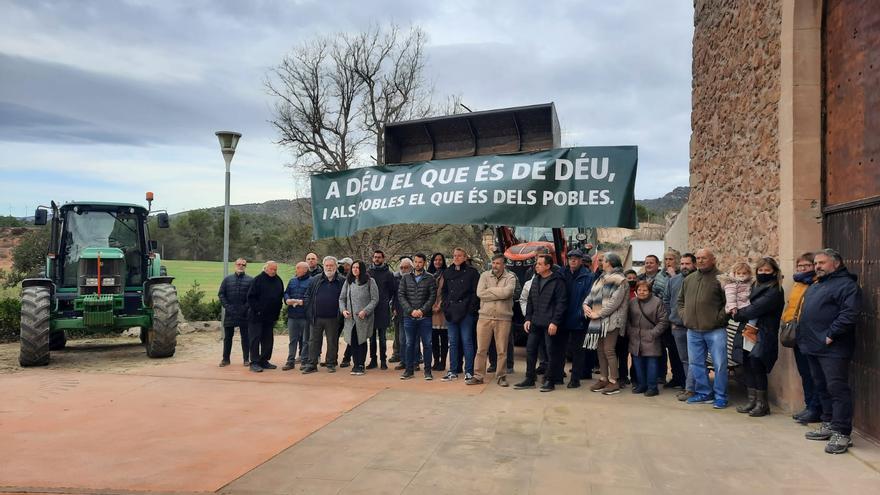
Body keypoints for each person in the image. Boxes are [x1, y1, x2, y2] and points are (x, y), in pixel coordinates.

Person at [799, 248, 861, 455]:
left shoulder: (847, 285)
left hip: (833, 348)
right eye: (816, 263)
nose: (817, 267)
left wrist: (831, 334)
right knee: (821, 386)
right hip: (812, 345)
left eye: (822, 263)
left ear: (836, 263)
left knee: (837, 388)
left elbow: (849, 314)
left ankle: (842, 433)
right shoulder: (818, 284)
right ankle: (828, 423)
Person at [731, 257, 785, 416]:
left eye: (767, 270)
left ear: (774, 272)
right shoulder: (754, 285)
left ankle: (762, 404)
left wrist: (736, 314)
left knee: (757, 366)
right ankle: (752, 400)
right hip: (749, 331)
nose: (763, 273)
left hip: (764, 333)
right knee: (747, 364)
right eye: (760, 270)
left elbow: (754, 309)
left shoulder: (775, 290)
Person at [677, 248, 729, 409]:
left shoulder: (722, 279)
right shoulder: (689, 279)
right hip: (693, 330)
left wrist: (718, 320)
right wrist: (685, 316)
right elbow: (680, 301)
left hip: (715, 330)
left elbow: (729, 303)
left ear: (713, 259)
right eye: (698, 258)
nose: (700, 261)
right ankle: (704, 393)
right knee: (696, 364)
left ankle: (720, 396)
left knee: (719, 364)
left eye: (704, 258)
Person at [514, 254, 567, 392]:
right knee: (531, 350)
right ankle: (530, 378)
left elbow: (561, 304)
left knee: (551, 352)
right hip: (535, 322)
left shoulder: (558, 281)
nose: (536, 266)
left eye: (539, 264)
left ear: (548, 266)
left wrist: (555, 322)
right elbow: (530, 301)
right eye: (536, 263)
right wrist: (527, 319)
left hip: (550, 323)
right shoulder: (536, 280)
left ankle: (550, 380)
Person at [583, 253, 629, 395]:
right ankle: (603, 378)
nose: (601, 262)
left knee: (609, 351)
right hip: (597, 322)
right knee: (600, 351)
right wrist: (585, 305)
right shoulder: (600, 279)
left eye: (603, 261)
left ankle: (614, 381)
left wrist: (599, 313)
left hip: (611, 321)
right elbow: (591, 295)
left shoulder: (621, 280)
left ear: (609, 263)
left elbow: (615, 302)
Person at [785, 253, 822, 424]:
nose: (802, 269)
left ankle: (816, 408)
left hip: (810, 334)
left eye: (806, 266)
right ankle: (809, 406)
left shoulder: (817, 283)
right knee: (804, 373)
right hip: (797, 333)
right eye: (799, 266)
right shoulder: (798, 284)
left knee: (814, 373)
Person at [470, 254, 517, 387]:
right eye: (494, 263)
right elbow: (480, 293)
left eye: (498, 263)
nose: (495, 266)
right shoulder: (484, 276)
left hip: (503, 318)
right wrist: (498, 293)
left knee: (502, 350)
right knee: (481, 349)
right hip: (484, 317)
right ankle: (478, 375)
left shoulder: (511, 277)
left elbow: (507, 293)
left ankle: (501, 376)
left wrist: (489, 291)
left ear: (504, 265)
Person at [440, 248, 480, 382]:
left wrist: (470, 309)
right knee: (453, 342)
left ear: (465, 257)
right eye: (454, 255)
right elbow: (444, 292)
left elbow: (475, 293)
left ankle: (469, 371)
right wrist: (445, 306)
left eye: (459, 256)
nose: (456, 258)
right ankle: (453, 371)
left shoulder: (472, 272)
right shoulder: (448, 272)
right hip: (451, 311)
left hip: (466, 312)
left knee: (467, 341)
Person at [301, 256, 345, 374]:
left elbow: (345, 298)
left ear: (336, 267)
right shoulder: (315, 279)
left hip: (333, 318)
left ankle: (331, 363)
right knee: (313, 341)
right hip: (316, 317)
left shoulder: (342, 280)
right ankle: (312, 364)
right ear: (324, 266)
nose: (329, 268)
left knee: (332, 341)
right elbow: (307, 295)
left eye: (331, 265)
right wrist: (308, 310)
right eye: (327, 265)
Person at [398, 253, 437, 380]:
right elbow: (401, 295)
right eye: (416, 261)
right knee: (409, 344)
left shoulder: (430, 278)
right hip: (409, 317)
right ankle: (409, 371)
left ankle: (427, 371)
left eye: (420, 262)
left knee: (427, 344)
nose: (418, 264)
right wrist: (411, 311)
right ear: (413, 263)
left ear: (424, 263)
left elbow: (432, 297)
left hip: (425, 317)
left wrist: (422, 310)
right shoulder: (405, 278)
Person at [627, 280, 669, 397]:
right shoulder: (632, 302)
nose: (642, 292)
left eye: (645, 290)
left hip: (651, 338)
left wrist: (653, 333)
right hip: (635, 337)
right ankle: (641, 385)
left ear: (650, 291)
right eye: (639, 290)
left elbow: (663, 321)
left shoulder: (657, 302)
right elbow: (627, 319)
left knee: (652, 364)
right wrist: (630, 331)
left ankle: (652, 387)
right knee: (638, 363)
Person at [561, 249, 594, 389]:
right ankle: (557, 374)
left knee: (577, 350)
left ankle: (575, 378)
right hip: (562, 317)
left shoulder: (589, 276)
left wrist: (582, 314)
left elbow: (590, 297)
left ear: (581, 260)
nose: (572, 261)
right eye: (570, 258)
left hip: (579, 319)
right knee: (559, 348)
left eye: (576, 258)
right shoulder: (562, 273)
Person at [665, 253, 696, 401]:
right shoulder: (673, 281)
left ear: (694, 265)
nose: (684, 266)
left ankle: (697, 388)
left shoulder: (699, 279)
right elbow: (667, 300)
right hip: (678, 327)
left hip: (696, 327)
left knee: (695, 359)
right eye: (682, 264)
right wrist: (672, 320)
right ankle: (687, 387)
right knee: (684, 359)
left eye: (687, 264)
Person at [339, 260, 379, 376]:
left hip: (363, 317)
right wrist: (343, 310)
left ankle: (361, 365)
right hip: (350, 318)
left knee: (361, 340)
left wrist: (365, 311)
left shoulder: (370, 282)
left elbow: (375, 299)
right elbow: (341, 298)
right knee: (353, 341)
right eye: (353, 267)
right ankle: (355, 364)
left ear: (362, 269)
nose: (355, 269)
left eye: (357, 267)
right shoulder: (348, 281)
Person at [245, 261, 285, 373]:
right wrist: (258, 310)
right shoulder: (257, 280)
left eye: (275, 269)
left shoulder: (278, 280)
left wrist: (277, 312)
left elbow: (280, 297)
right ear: (266, 268)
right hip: (256, 316)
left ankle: (264, 360)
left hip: (270, 316)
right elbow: (250, 297)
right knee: (255, 339)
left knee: (268, 339)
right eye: (272, 269)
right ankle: (254, 362)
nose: (274, 271)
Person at [657, 249, 685, 389]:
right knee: (670, 350)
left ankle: (684, 379)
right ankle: (675, 377)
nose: (668, 262)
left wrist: (673, 276)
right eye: (666, 259)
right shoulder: (660, 276)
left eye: (671, 259)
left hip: (677, 319)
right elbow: (657, 293)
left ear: (677, 261)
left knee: (681, 351)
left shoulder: (682, 276)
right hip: (663, 317)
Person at [218, 258, 253, 367]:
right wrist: (228, 307)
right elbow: (221, 294)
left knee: (246, 337)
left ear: (245, 266)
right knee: (227, 338)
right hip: (230, 313)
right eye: (239, 264)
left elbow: (252, 296)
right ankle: (225, 359)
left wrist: (245, 308)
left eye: (243, 264)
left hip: (244, 313)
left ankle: (246, 359)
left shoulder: (250, 280)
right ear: (235, 265)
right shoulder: (227, 279)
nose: (241, 266)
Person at [368, 250, 395, 370]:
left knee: (382, 338)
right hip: (370, 309)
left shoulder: (388, 274)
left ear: (383, 259)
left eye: (379, 257)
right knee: (372, 338)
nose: (377, 259)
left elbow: (393, 291)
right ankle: (373, 360)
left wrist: (386, 301)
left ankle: (383, 360)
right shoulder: (368, 273)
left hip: (383, 309)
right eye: (375, 257)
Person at [282, 262, 311, 371]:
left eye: (298, 268)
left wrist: (302, 302)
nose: (296, 270)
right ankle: (290, 361)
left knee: (305, 340)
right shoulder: (292, 280)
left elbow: (311, 296)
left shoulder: (311, 281)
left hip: (305, 316)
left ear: (305, 270)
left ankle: (304, 361)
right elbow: (286, 293)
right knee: (292, 340)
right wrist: (287, 299)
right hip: (292, 315)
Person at [390, 257, 416, 369]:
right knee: (402, 339)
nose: (403, 269)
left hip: (413, 313)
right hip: (400, 312)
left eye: (406, 267)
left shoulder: (416, 278)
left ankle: (414, 362)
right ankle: (404, 361)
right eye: (401, 267)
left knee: (413, 339)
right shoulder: (396, 278)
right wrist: (394, 308)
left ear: (411, 268)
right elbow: (394, 296)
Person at [428, 252, 449, 372]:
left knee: (444, 338)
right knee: (433, 338)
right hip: (430, 310)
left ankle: (443, 362)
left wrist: (440, 305)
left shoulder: (446, 274)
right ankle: (435, 361)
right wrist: (430, 306)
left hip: (442, 310)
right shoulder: (429, 274)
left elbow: (447, 291)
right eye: (435, 260)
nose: (437, 262)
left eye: (440, 260)